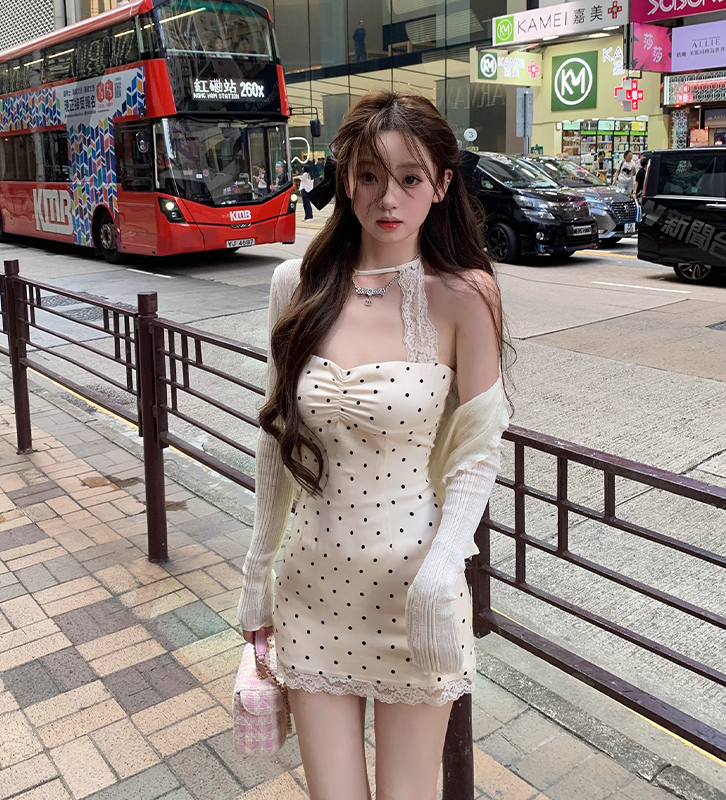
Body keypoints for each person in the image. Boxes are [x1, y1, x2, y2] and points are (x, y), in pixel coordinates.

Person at [236, 90, 512, 800]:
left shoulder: (466, 293)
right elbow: (276, 439)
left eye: (409, 178)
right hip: (310, 589)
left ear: (441, 185)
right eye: (368, 175)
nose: (387, 198)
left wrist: (445, 564)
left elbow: (479, 448)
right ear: (344, 179)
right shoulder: (296, 284)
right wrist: (256, 574)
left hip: (416, 592)